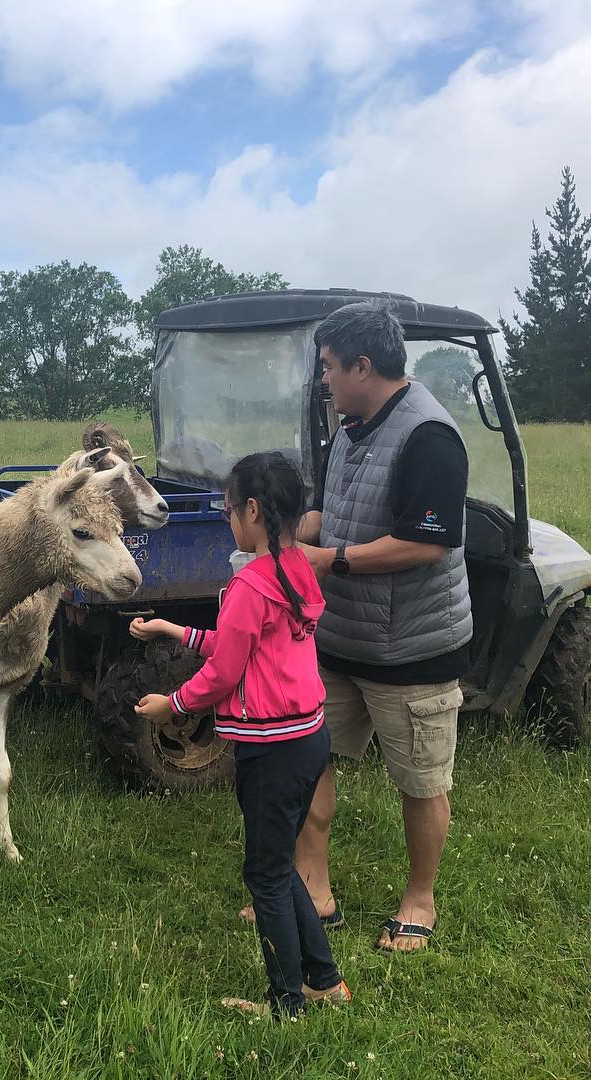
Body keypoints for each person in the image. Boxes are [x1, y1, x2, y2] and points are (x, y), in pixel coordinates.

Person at [131, 452, 351, 1019]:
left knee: (266, 873)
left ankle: (287, 1004)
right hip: (307, 740)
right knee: (279, 862)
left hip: (271, 748)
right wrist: (175, 629)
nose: (229, 519)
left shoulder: (251, 584)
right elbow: (244, 648)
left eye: (229, 509)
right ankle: (323, 981)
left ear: (252, 510)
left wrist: (170, 704)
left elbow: (225, 672)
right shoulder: (296, 567)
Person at [294, 300, 472, 952]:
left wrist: (330, 559)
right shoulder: (348, 429)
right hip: (339, 640)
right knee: (310, 757)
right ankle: (313, 887)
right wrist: (282, 538)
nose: (324, 380)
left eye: (330, 367)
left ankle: (419, 901)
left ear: (363, 366)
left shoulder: (430, 437)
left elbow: (428, 543)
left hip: (412, 649)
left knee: (421, 783)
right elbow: (329, 514)